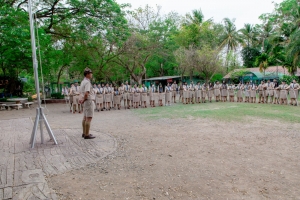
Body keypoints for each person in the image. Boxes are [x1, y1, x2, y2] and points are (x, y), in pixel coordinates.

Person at [79, 67, 95, 139]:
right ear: (87, 74)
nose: (91, 74)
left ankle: (84, 132)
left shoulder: (82, 82)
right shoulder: (87, 82)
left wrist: (82, 100)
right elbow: (86, 93)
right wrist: (84, 99)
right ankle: (87, 134)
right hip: (88, 100)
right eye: (91, 73)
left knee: (85, 117)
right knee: (89, 118)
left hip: (85, 101)